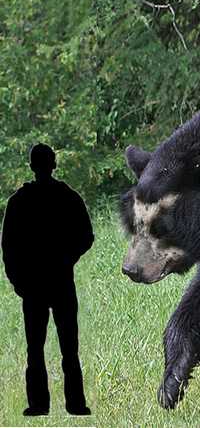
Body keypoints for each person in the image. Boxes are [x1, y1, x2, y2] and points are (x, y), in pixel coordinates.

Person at [1, 143, 93, 416]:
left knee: (35, 349)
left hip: (33, 287)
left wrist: (19, 280)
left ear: (32, 166)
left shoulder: (19, 202)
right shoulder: (68, 197)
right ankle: (75, 405)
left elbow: (9, 247)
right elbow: (86, 237)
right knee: (69, 348)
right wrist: (66, 258)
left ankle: (39, 405)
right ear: (54, 165)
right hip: (62, 282)